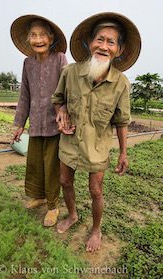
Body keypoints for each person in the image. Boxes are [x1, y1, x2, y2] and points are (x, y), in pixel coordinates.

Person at [51, 12, 141, 251]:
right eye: (99, 39)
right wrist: (60, 112)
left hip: (97, 146)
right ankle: (72, 215)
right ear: (89, 43)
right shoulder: (70, 72)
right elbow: (58, 99)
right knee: (64, 181)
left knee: (95, 190)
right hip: (69, 140)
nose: (104, 46)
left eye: (111, 42)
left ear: (119, 50)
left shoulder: (121, 84)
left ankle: (96, 229)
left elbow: (121, 121)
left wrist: (123, 153)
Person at [10, 14, 68, 227]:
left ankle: (53, 205)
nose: (38, 39)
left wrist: (64, 110)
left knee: (52, 166)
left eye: (43, 34)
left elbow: (67, 88)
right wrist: (18, 125)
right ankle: (39, 196)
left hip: (55, 124)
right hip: (36, 123)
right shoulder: (27, 64)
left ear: (51, 38)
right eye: (33, 35)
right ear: (28, 40)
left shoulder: (60, 58)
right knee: (35, 164)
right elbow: (24, 95)